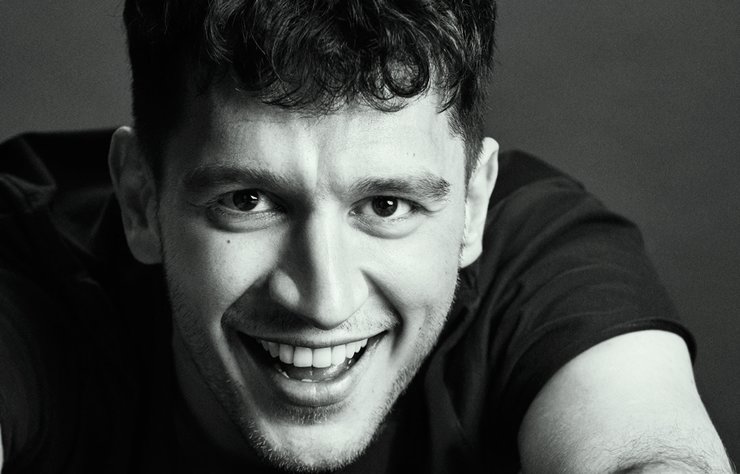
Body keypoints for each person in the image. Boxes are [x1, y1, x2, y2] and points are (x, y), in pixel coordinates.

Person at [0, 1, 733, 472]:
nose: (323, 301)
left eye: (386, 205)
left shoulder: (541, 261)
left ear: (473, 206)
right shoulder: (27, 255)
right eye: (248, 201)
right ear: (139, 199)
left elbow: (642, 445)